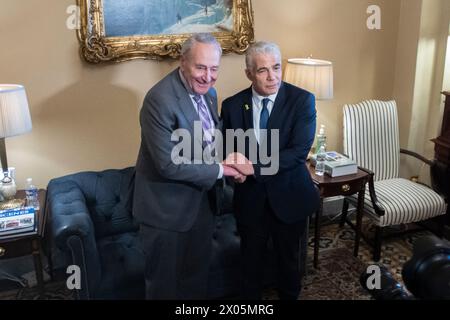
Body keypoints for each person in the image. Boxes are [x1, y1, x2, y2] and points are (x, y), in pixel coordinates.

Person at [133, 33, 243, 299]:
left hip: (202, 207)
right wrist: (221, 170)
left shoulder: (209, 93)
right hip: (165, 214)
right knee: (164, 289)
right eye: (200, 67)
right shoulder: (159, 100)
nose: (208, 76)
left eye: (214, 68)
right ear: (183, 62)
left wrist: (233, 161)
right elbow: (168, 164)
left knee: (195, 283)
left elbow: (210, 141)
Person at [221, 41, 320, 300]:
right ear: (249, 74)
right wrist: (235, 167)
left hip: (290, 199)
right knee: (250, 267)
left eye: (276, 67)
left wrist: (252, 167)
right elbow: (227, 149)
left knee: (289, 265)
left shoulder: (302, 101)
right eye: (263, 70)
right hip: (251, 202)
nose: (272, 76)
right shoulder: (232, 105)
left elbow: (297, 152)